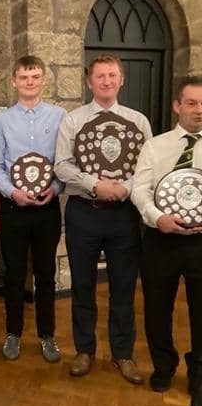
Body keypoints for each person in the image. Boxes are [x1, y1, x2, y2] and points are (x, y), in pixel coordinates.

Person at [54, 54, 153, 384]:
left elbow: (146, 169)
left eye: (112, 75)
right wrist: (95, 184)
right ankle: (84, 351)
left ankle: (122, 354)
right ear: (89, 81)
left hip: (124, 216)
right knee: (82, 286)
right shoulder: (73, 120)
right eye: (100, 76)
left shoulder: (139, 121)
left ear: (121, 79)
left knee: (123, 288)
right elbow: (62, 165)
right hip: (84, 213)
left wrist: (123, 188)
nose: (106, 81)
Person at [0, 55, 65, 363]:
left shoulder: (60, 116)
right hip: (14, 209)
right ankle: (13, 333)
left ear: (43, 79)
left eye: (35, 76)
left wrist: (56, 189)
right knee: (14, 273)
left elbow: (64, 162)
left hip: (47, 208)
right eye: (24, 77)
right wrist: (12, 192)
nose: (29, 82)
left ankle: (47, 335)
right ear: (14, 81)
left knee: (47, 274)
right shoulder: (3, 121)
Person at [131, 76, 202, 393]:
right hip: (162, 240)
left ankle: (199, 372)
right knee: (158, 308)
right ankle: (164, 365)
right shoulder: (155, 146)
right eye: (191, 103)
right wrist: (157, 218)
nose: (199, 110)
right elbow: (139, 190)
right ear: (177, 106)